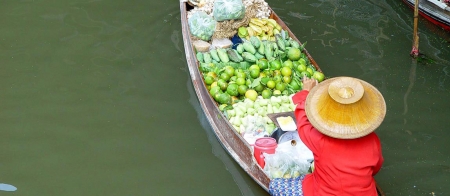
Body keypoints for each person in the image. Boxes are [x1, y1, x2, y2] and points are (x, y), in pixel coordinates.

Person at [269, 76, 386, 196]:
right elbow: (375, 168)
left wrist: (306, 93)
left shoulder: (320, 140)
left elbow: (302, 122)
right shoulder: (373, 140)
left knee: (275, 185)